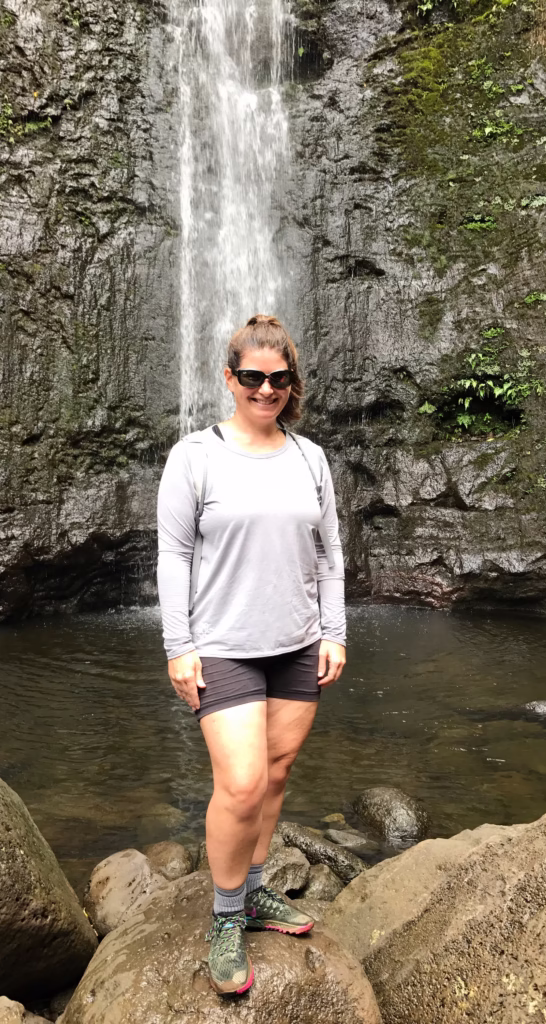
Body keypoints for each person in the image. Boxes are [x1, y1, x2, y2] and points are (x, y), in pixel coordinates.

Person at [156, 314, 346, 995]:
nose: (266, 389)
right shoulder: (195, 457)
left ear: (291, 383)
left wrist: (336, 629)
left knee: (274, 773)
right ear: (229, 378)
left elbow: (330, 554)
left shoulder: (309, 458)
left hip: (297, 642)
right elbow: (174, 556)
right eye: (252, 377)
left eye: (278, 379)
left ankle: (258, 889)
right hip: (224, 646)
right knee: (238, 784)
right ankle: (227, 915)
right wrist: (180, 646)